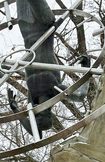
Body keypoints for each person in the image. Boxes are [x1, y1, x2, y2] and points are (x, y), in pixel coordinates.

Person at [8, 0, 90, 136]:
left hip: (26, 29)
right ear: (47, 113)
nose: (36, 112)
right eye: (40, 115)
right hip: (44, 25)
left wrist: (16, 110)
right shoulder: (55, 90)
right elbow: (80, 96)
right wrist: (87, 68)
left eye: (35, 116)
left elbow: (36, 135)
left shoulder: (33, 96)